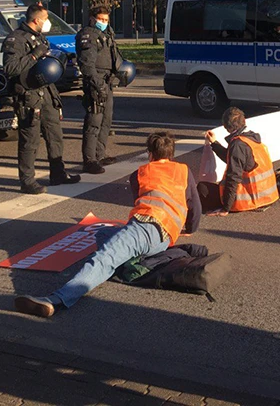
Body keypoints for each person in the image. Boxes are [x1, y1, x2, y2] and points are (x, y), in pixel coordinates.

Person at [13, 131, 200, 317]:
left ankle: (56, 300)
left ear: (150, 154)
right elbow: (195, 205)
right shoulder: (184, 171)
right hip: (165, 238)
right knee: (102, 235)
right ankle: (134, 260)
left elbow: (140, 202)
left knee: (105, 257)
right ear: (171, 154)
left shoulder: (141, 173)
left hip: (145, 227)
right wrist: (190, 229)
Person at [2, 5, 79, 194]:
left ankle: (58, 173)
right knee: (30, 140)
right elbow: (11, 68)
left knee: (55, 135)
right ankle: (27, 180)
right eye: (46, 19)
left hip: (46, 93)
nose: (48, 23)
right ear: (36, 20)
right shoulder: (16, 39)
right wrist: (35, 55)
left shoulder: (39, 37)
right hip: (29, 95)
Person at [199, 107, 279, 216]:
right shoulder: (252, 139)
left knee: (202, 188)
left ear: (226, 128)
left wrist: (226, 208)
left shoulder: (238, 145)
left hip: (249, 199)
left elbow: (233, 177)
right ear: (244, 121)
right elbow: (233, 159)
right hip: (269, 196)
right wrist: (214, 144)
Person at [78, 5, 121, 174]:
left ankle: (99, 155)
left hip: (107, 82)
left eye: (106, 20)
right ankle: (89, 161)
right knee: (93, 123)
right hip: (95, 83)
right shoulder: (87, 35)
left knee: (106, 121)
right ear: (92, 18)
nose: (104, 22)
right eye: (101, 19)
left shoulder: (106, 34)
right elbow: (87, 65)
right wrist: (97, 85)